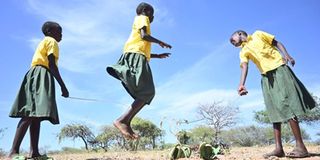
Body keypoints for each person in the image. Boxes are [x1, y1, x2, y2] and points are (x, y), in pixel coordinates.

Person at [230, 30, 316, 158]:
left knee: (287, 104)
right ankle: (278, 148)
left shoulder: (258, 34)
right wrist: (241, 84)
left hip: (279, 70)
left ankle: (301, 147)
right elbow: (244, 66)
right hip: (266, 78)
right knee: (273, 109)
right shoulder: (242, 51)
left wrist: (287, 55)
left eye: (232, 39)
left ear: (240, 33)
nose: (232, 42)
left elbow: (277, 43)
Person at [107, 2, 172, 140]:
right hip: (136, 56)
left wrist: (157, 56)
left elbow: (141, 46)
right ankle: (122, 120)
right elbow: (144, 36)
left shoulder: (142, 20)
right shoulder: (143, 18)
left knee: (146, 92)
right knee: (148, 91)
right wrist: (161, 42)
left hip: (137, 56)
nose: (152, 16)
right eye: (151, 13)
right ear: (145, 10)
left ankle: (126, 121)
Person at [8, 21, 69, 159]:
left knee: (37, 114)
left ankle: (34, 152)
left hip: (36, 74)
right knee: (30, 112)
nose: (61, 34)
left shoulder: (44, 42)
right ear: (49, 31)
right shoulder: (52, 42)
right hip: (41, 74)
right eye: (58, 31)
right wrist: (63, 86)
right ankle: (13, 152)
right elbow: (52, 65)